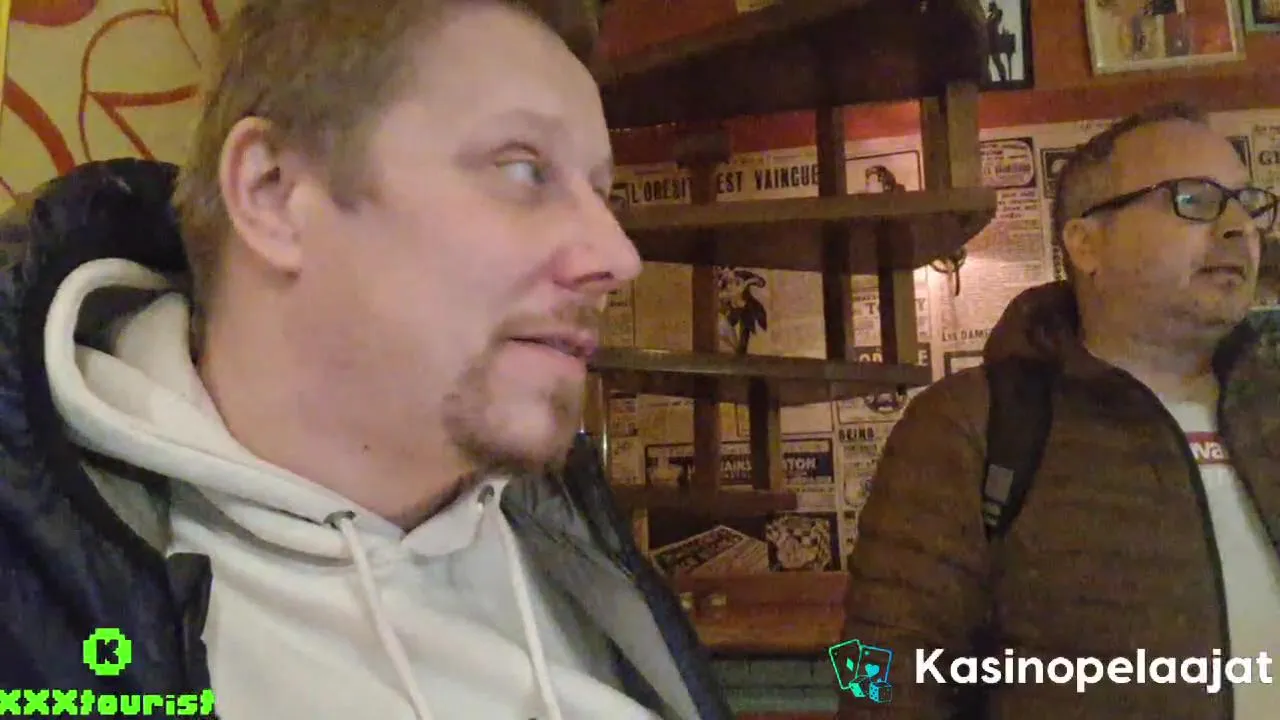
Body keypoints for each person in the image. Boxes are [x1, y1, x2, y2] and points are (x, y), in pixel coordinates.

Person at [0, 1, 733, 719]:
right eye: (523, 170)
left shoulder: (582, 560)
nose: (618, 256)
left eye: (602, 193)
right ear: (272, 193)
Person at [839, 102, 1280, 718]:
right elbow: (872, 673)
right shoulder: (972, 425)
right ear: (1087, 243)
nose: (1239, 228)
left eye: (1248, 204)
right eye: (1194, 200)